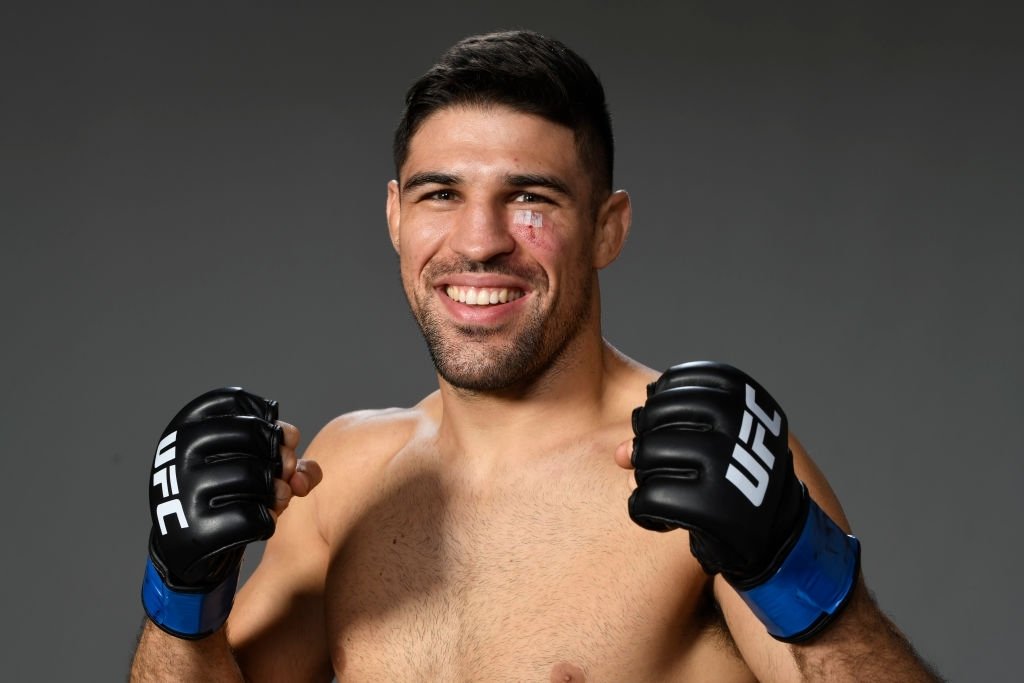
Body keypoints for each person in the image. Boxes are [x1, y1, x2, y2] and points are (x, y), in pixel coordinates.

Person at [130, 30, 940, 682]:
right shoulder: (344, 477)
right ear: (394, 216)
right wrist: (182, 593)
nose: (479, 242)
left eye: (530, 199)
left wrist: (801, 575)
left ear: (608, 228)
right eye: (440, 194)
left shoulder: (702, 469)